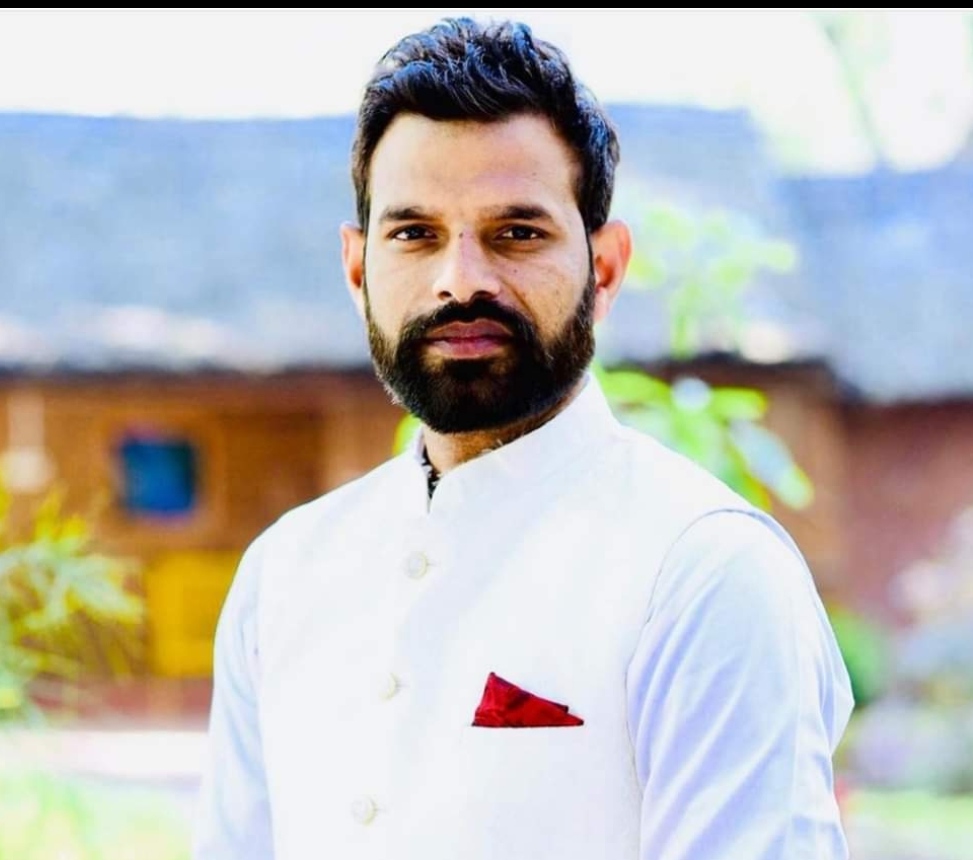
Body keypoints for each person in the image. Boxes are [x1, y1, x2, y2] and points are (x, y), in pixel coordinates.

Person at [193, 16, 854, 860]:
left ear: (603, 270)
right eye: (414, 233)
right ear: (358, 271)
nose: (460, 279)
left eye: (517, 233)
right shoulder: (284, 572)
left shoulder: (703, 573)